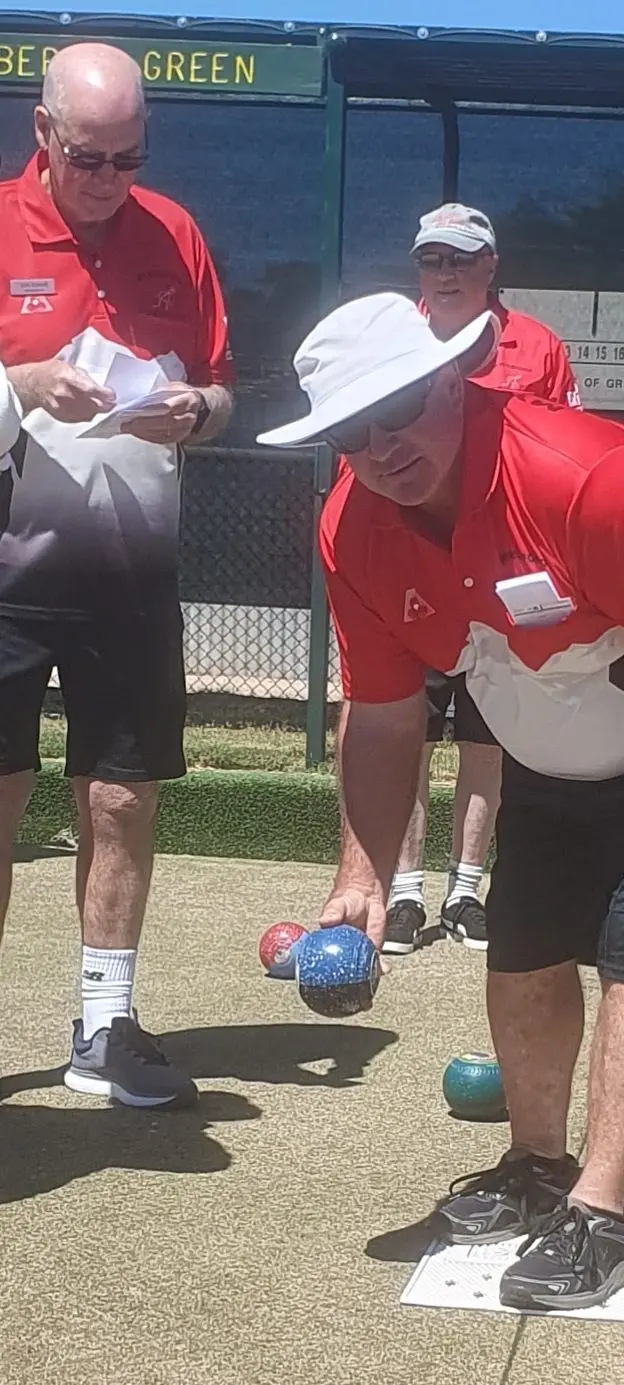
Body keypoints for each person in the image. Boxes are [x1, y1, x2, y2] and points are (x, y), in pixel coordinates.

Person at [259, 290, 624, 1312]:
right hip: (551, 712)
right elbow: (384, 716)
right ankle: (535, 1161)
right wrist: (361, 870)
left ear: (453, 380)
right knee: (520, 942)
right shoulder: (352, 529)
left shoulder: (579, 473)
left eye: (400, 407)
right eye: (352, 429)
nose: (382, 444)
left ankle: (600, 1217)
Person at [0, 43, 233, 1109]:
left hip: (132, 576)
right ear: (43, 133)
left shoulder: (176, 233)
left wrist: (200, 413)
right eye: (89, 158)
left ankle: (104, 1025)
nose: (106, 181)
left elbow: (221, 389)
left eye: (127, 160)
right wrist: (22, 386)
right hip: (6, 577)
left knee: (122, 799)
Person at [383, 202, 582, 957]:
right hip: (412, 567)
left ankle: (465, 890)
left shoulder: (538, 347)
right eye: (434, 258)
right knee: (406, 732)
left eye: (463, 258)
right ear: (419, 268)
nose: (448, 272)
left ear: (491, 265)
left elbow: (566, 451)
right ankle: (403, 893)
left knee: (488, 734)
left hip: (506, 572)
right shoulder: (391, 340)